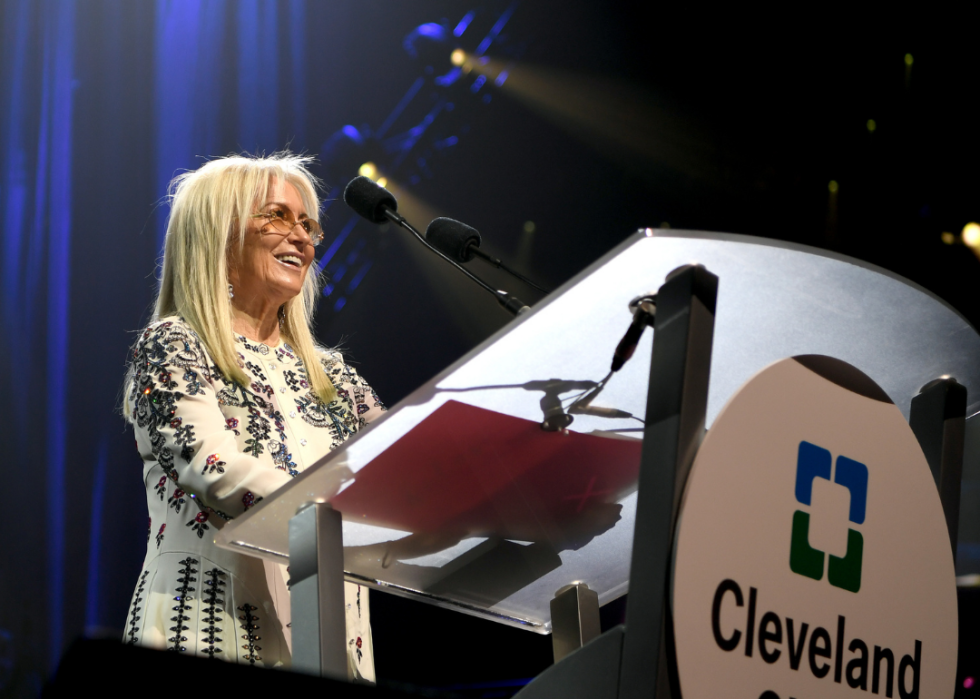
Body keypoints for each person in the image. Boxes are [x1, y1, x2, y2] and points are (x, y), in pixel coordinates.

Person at [121, 152, 385, 678]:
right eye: (277, 216)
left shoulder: (335, 377)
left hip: (335, 647)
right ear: (218, 232)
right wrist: (343, 514)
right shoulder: (174, 346)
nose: (303, 237)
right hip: (207, 631)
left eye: (308, 223)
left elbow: (401, 467)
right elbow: (214, 470)